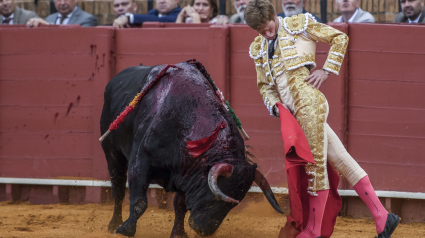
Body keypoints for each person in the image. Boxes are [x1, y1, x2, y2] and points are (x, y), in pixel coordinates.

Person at [244, 0, 401, 237]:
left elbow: (339, 38)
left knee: (314, 166)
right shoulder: (258, 47)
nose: (267, 34)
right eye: (261, 31)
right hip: (294, 113)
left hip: (309, 105)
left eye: (269, 27)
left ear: (274, 16)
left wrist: (325, 71)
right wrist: (276, 106)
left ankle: (313, 230)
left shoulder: (299, 24)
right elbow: (265, 86)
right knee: (341, 159)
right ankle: (383, 216)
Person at [26, 0, 97, 27]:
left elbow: (74, 38)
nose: (62, 3)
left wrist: (48, 26)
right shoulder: (50, 18)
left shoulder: (87, 19)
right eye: (59, 0)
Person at [113, 0, 181, 28]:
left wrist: (129, 18)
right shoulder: (152, 13)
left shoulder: (180, 15)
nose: (162, 1)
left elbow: (164, 20)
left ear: (176, 0)